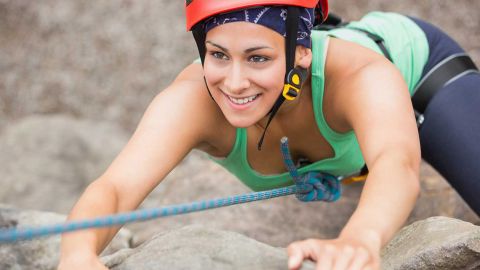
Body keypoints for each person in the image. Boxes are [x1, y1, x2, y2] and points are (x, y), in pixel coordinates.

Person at [58, 1, 479, 269]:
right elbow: (114, 188)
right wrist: (77, 255)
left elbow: (397, 164)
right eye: (218, 54)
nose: (235, 82)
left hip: (422, 72)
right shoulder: (193, 100)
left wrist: (357, 241)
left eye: (257, 58)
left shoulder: (360, 75)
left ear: (301, 51)